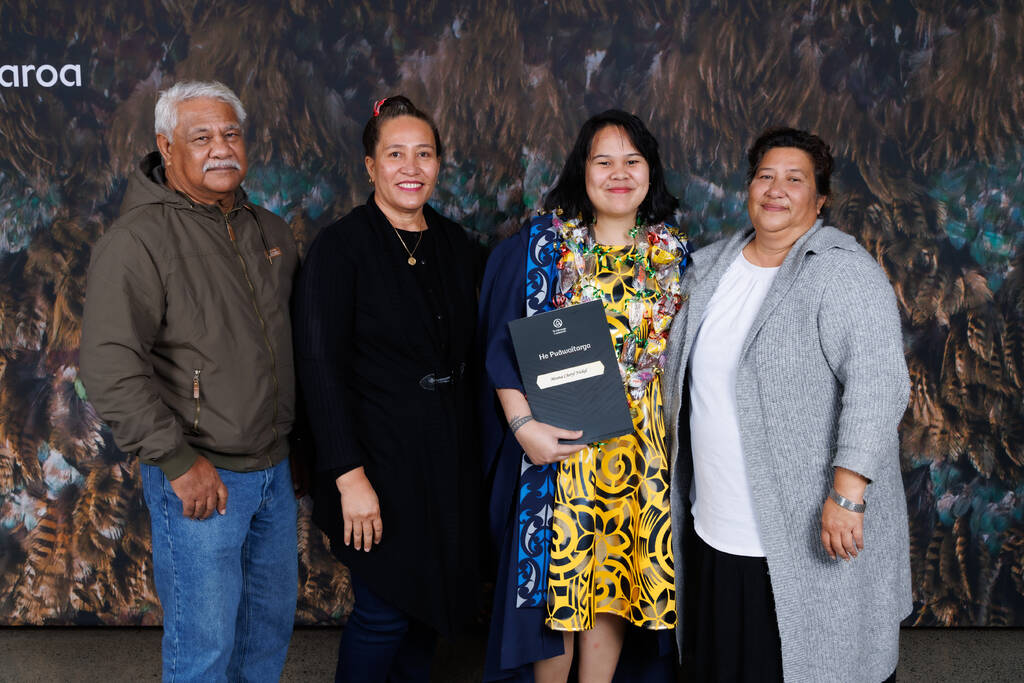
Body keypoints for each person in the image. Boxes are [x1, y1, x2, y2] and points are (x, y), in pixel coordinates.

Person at [662, 127, 912, 682]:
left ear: (819, 200)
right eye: (765, 176)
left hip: (805, 527)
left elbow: (879, 384)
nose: (776, 190)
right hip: (716, 521)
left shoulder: (843, 272)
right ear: (749, 187)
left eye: (794, 179)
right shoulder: (709, 268)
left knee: (813, 661)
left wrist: (847, 493)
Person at [80, 80, 299, 681]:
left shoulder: (270, 232)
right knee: (203, 653)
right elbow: (107, 367)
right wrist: (177, 461)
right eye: (200, 137)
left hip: (274, 473)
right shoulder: (138, 241)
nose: (220, 148)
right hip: (202, 478)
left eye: (231, 134)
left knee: (265, 641)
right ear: (166, 146)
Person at [480, 110, 690, 683]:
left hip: (641, 457)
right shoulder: (541, 250)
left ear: (650, 172)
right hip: (559, 450)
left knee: (614, 586)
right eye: (604, 161)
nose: (618, 174)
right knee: (557, 592)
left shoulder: (678, 257)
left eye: (632, 161)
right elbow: (501, 349)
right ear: (582, 170)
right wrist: (524, 429)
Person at [292, 96, 480, 683]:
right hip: (374, 463)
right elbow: (318, 367)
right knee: (384, 612)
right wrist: (348, 476)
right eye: (395, 154)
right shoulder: (340, 248)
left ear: (439, 164)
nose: (411, 167)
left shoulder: (460, 247)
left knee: (429, 611)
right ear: (370, 166)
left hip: (446, 459)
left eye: (424, 154)